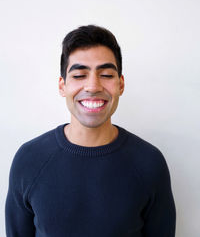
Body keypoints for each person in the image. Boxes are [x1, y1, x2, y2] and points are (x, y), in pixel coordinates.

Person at [5, 25, 176, 236]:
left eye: (106, 74)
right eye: (79, 75)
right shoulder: (29, 159)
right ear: (62, 86)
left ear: (121, 84)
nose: (93, 86)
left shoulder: (149, 162)